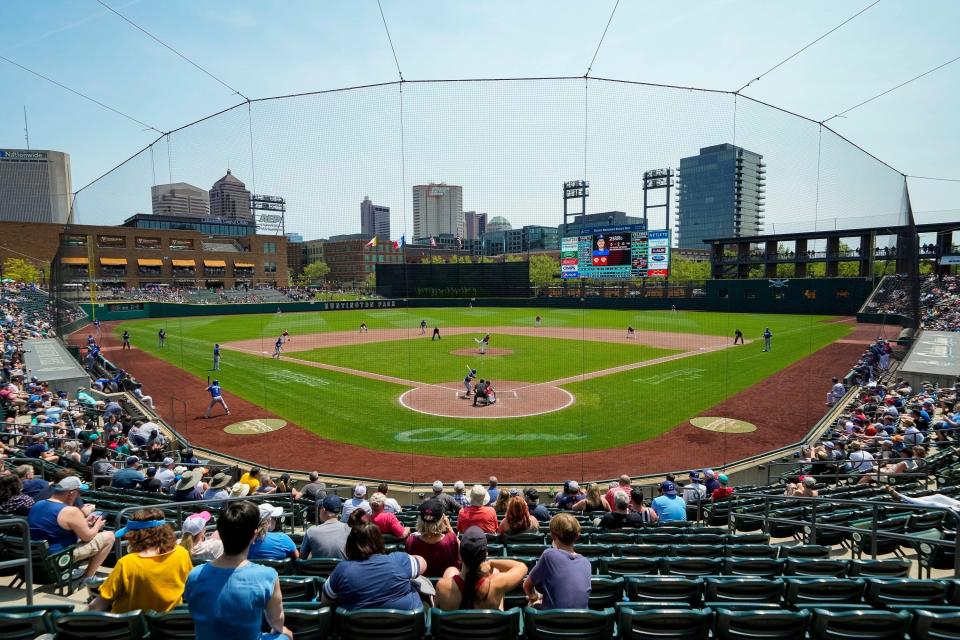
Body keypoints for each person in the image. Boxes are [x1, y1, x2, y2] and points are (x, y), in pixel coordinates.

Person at [184, 500, 292, 640]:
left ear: (220, 534)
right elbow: (277, 623)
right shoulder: (268, 576)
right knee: (285, 636)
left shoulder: (194, 575)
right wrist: (283, 631)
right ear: (254, 535)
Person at [89, 507, 192, 613]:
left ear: (135, 536)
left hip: (128, 627)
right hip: (166, 625)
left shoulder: (127, 563)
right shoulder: (182, 553)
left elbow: (97, 606)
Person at [321, 510, 427, 611]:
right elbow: (423, 563)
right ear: (379, 541)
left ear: (351, 544)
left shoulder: (342, 569)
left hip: (357, 629)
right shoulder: (398, 560)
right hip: (406, 627)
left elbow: (325, 600)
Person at [27, 476, 115, 580]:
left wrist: (84, 522)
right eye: (79, 493)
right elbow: (87, 537)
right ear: (72, 493)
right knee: (109, 536)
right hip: (58, 557)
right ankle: (88, 577)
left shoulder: (38, 504)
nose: (79, 496)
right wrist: (97, 525)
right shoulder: (70, 511)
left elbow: (54, 527)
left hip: (37, 557)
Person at [435, 526, 528, 611]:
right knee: (495, 571)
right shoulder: (497, 584)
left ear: (460, 555)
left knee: (450, 570)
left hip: (455, 629)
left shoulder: (442, 587)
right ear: (485, 555)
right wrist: (492, 562)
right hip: (490, 628)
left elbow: (435, 617)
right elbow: (522, 567)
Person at [523, 513, 591, 609]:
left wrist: (534, 597)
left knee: (530, 605)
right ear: (577, 536)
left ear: (553, 536)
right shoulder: (586, 563)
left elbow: (527, 586)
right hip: (583, 620)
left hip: (552, 620)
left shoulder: (549, 555)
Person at [405, 497, 460, 577]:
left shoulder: (410, 541)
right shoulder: (451, 539)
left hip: (420, 587)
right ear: (442, 520)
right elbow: (461, 552)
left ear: (420, 520)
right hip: (445, 586)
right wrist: (449, 528)